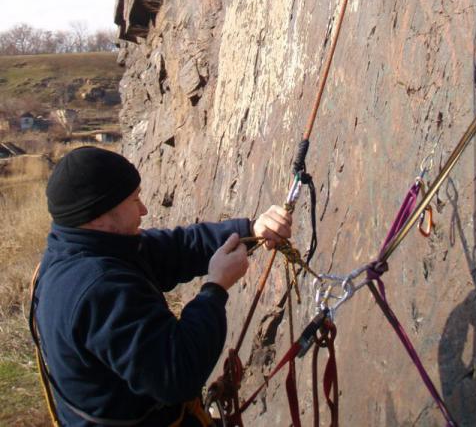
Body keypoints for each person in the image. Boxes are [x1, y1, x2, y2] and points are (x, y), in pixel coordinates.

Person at [30, 146, 292, 427]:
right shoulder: (99, 289)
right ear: (98, 216)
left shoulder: (83, 247)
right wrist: (215, 288)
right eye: (134, 201)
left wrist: (250, 231)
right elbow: (177, 375)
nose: (144, 209)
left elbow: (177, 248)